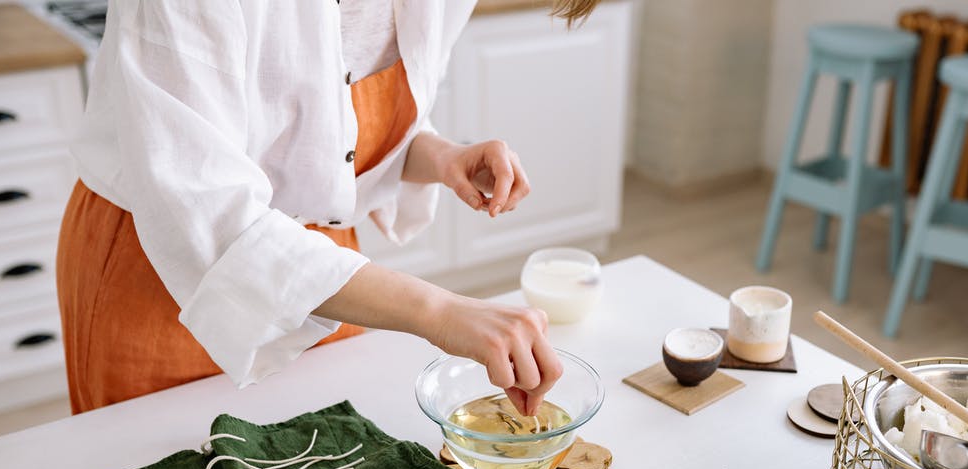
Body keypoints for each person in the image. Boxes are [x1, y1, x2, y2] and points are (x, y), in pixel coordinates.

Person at [56, 0, 598, 416]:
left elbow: (322, 127)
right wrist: (439, 312)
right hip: (159, 271)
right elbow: (210, 210)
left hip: (328, 277)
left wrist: (435, 154)